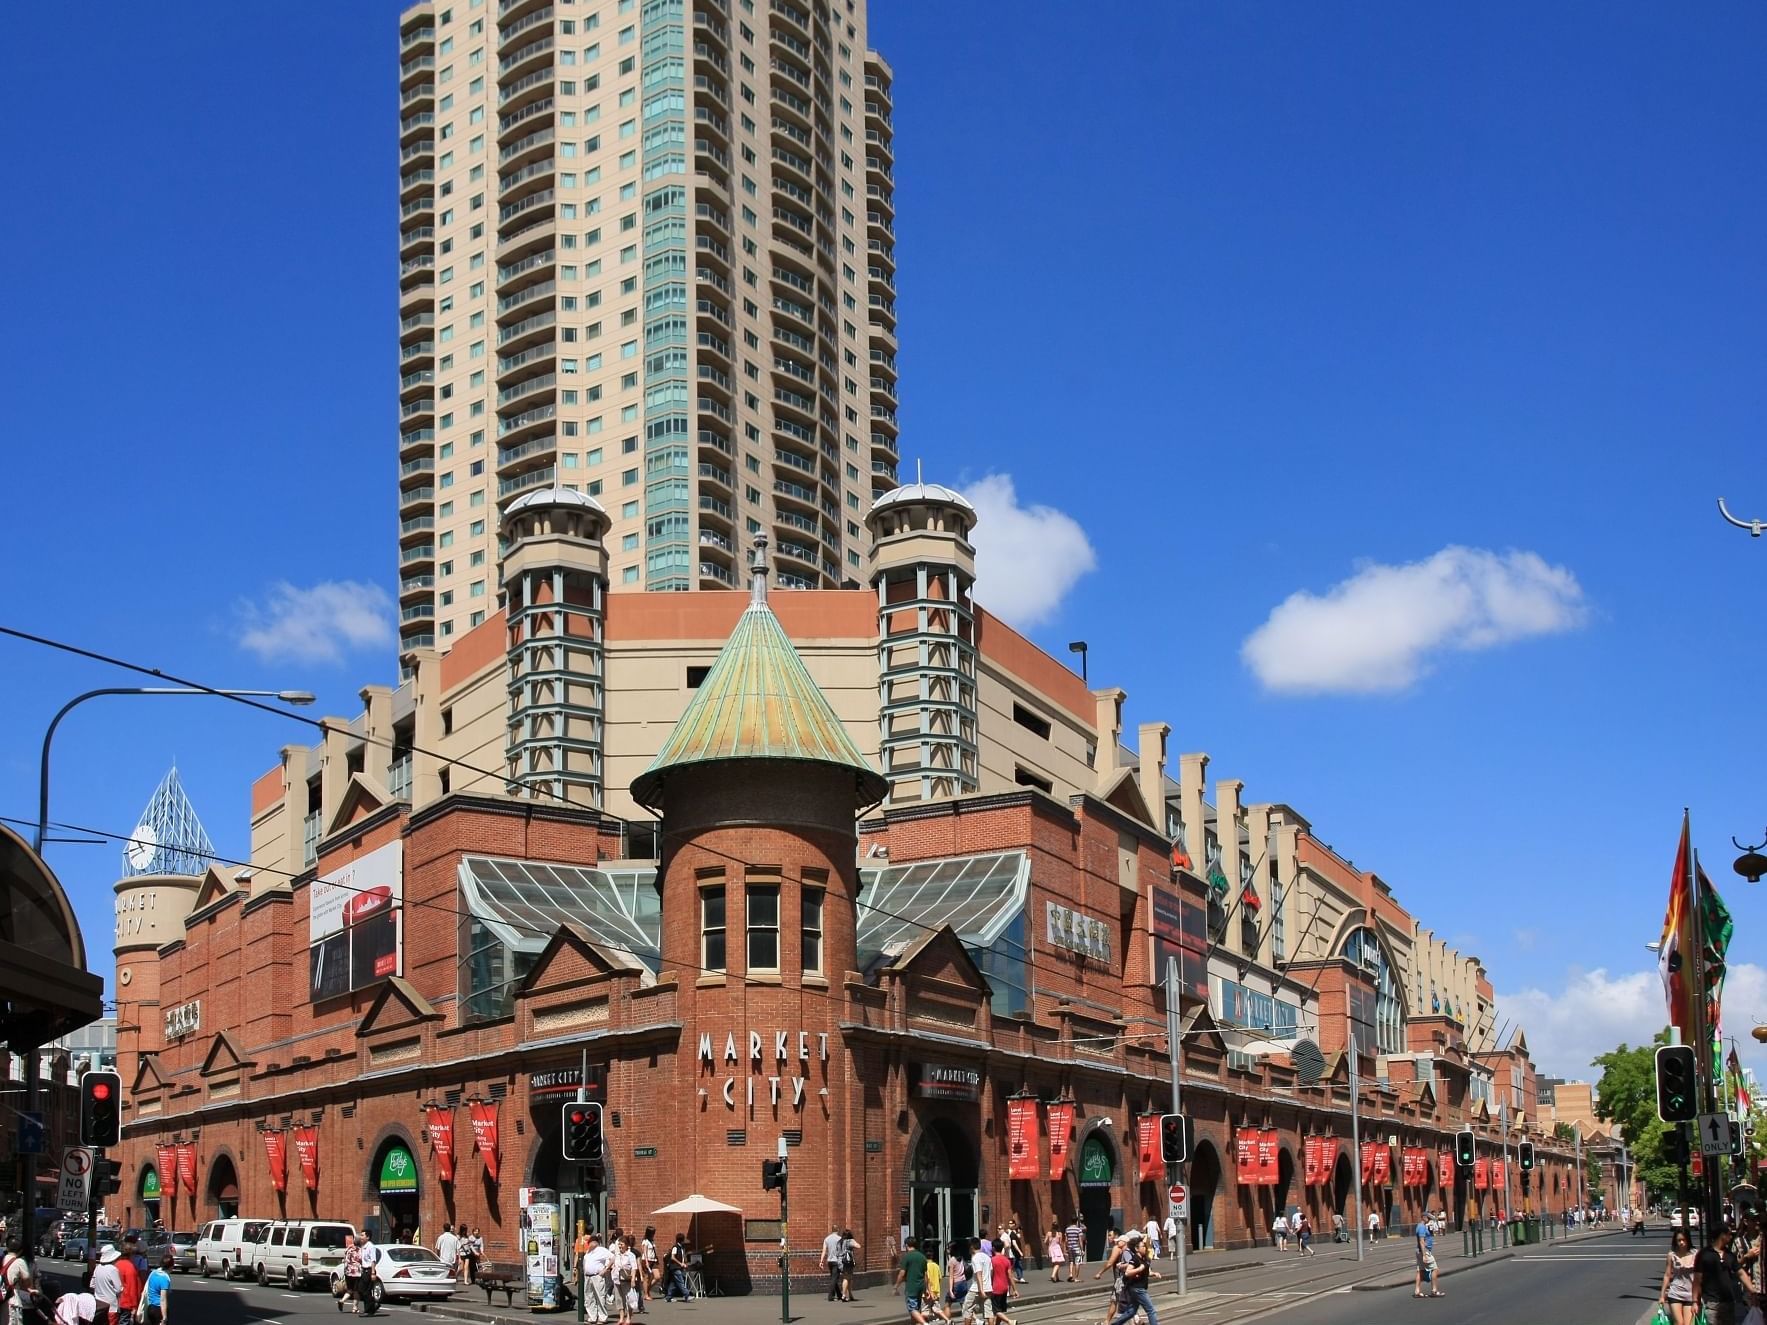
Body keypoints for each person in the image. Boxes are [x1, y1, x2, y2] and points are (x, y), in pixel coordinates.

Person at [1694, 1227, 1744, 1325]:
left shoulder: (1729, 1255)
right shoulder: (1704, 1254)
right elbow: (1697, 1280)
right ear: (1722, 1235)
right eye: (1729, 1234)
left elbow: (1741, 1273)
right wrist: (1695, 1301)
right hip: (1711, 1303)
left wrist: (1752, 1291)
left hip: (1729, 1303)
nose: (1731, 1237)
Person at [1105, 1233, 1156, 1325]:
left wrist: (1153, 1273)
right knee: (1151, 1310)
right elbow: (1128, 1272)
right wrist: (1138, 1269)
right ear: (1136, 1249)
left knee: (1131, 1311)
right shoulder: (1135, 1259)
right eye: (1142, 1246)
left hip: (1137, 1288)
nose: (1144, 1247)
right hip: (1138, 1289)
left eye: (1145, 1246)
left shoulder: (1144, 1258)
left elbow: (1145, 1271)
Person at [1659, 1228, 1697, 1325]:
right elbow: (1667, 1275)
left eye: (1683, 1240)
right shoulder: (1672, 1255)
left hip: (1690, 1294)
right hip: (1675, 1292)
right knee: (1679, 1323)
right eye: (1679, 1240)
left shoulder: (1695, 1254)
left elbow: (1700, 1275)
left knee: (1688, 1323)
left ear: (1688, 1240)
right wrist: (1662, 1296)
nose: (1681, 1242)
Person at [894, 1235, 929, 1325]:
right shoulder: (922, 1257)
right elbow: (926, 1275)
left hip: (911, 1287)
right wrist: (926, 1289)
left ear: (906, 1245)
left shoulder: (907, 1257)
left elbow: (902, 1273)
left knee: (912, 1309)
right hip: (921, 1286)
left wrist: (896, 1286)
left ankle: (925, 1324)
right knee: (917, 1309)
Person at [582, 1232, 613, 1325]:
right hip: (588, 1277)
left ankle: (603, 1317)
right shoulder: (588, 1252)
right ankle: (592, 1317)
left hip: (597, 1276)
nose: (588, 1244)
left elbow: (613, 1257)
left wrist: (605, 1269)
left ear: (594, 1242)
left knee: (600, 1296)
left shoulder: (601, 1250)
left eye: (589, 1242)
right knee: (589, 1297)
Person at [1412, 1214, 1443, 1300]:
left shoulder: (1420, 1226)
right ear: (1423, 1217)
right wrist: (1424, 1254)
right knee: (1435, 1269)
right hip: (1424, 1251)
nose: (1429, 1220)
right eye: (1428, 1218)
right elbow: (1422, 1241)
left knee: (1420, 1271)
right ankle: (1434, 1290)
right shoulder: (1422, 1227)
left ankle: (1417, 1291)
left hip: (1419, 1251)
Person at [92, 1247, 124, 1325]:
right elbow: (119, 1289)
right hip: (111, 1305)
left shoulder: (98, 1267)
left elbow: (92, 1284)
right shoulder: (113, 1269)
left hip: (98, 1304)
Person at [965, 1240, 994, 1325]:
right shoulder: (987, 1257)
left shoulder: (975, 1258)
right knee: (988, 1312)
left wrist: (981, 1290)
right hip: (988, 1287)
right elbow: (991, 1271)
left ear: (971, 1247)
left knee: (967, 1309)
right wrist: (989, 1284)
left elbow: (979, 1273)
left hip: (976, 1289)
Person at [988, 1240, 1014, 1325]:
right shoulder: (1006, 1260)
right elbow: (1010, 1276)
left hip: (995, 1288)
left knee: (995, 1310)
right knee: (1000, 1310)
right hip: (1004, 1288)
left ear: (993, 1248)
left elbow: (990, 1275)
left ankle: (1009, 1321)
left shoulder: (992, 1260)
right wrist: (1015, 1289)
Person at [141, 1253, 171, 1325]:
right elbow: (163, 1299)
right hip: (159, 1309)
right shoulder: (164, 1278)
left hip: (150, 1307)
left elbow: (146, 1290)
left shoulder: (153, 1273)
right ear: (171, 1266)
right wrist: (164, 1317)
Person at [356, 1232, 381, 1316]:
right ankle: (373, 1305)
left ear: (368, 1237)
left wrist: (373, 1273)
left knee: (366, 1291)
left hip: (369, 1270)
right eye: (361, 1235)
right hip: (364, 1270)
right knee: (361, 1289)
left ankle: (369, 1310)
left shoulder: (371, 1247)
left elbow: (373, 1260)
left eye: (363, 1235)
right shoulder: (363, 1246)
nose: (361, 1237)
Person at [664, 1234, 691, 1303]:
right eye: (684, 1239)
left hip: (678, 1267)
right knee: (680, 1281)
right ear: (681, 1240)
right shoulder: (675, 1247)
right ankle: (687, 1295)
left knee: (674, 1283)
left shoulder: (682, 1248)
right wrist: (680, 1263)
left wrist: (684, 1263)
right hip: (675, 1267)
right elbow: (673, 1257)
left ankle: (669, 1297)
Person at [822, 1225, 846, 1302]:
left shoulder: (827, 1239)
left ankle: (839, 1295)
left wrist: (821, 1261)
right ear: (837, 1230)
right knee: (834, 1278)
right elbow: (842, 1250)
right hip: (837, 1260)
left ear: (831, 1230)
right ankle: (830, 1296)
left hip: (830, 1261)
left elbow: (824, 1251)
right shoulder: (840, 1239)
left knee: (834, 1277)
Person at [339, 1235, 361, 1315]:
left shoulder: (348, 1249)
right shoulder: (360, 1250)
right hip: (357, 1273)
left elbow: (345, 1258)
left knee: (349, 1289)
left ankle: (342, 1301)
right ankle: (355, 1308)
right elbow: (361, 1260)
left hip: (348, 1272)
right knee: (356, 1291)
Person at [637, 1227, 657, 1312]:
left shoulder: (652, 1241)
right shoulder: (645, 1241)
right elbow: (644, 1251)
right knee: (647, 1277)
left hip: (653, 1260)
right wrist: (646, 1261)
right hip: (647, 1260)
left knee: (657, 1276)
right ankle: (646, 1294)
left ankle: (647, 1290)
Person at [840, 1228, 860, 1303]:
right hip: (848, 1262)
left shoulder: (840, 1241)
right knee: (846, 1278)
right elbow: (858, 1246)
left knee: (849, 1278)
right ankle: (844, 1295)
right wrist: (853, 1241)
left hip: (841, 1261)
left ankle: (850, 1295)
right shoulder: (849, 1241)